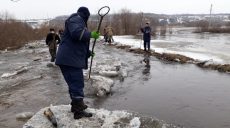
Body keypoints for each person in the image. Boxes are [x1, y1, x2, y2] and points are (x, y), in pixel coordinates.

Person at [55, 7, 100, 119]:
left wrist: (88, 53)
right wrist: (90, 34)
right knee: (77, 83)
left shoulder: (78, 21)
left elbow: (76, 44)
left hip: (69, 59)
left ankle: (75, 106)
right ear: (86, 15)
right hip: (69, 60)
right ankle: (78, 112)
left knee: (74, 84)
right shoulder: (76, 19)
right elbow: (77, 34)